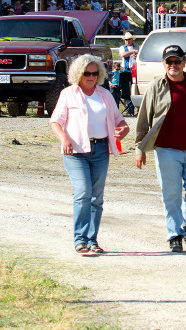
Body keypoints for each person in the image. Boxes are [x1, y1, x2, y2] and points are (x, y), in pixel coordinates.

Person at [134, 45, 186, 252]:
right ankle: (174, 234)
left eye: (177, 61)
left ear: (184, 63)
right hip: (166, 149)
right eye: (169, 62)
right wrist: (139, 148)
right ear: (164, 64)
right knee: (171, 194)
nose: (173, 65)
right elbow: (144, 118)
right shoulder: (156, 86)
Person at [50, 55, 130, 254]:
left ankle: (92, 240)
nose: (91, 77)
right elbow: (55, 122)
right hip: (75, 151)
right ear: (78, 73)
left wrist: (125, 128)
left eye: (95, 73)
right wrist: (64, 139)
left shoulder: (105, 94)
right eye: (87, 73)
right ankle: (80, 239)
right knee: (83, 192)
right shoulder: (68, 94)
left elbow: (118, 119)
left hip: (101, 149)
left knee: (96, 197)